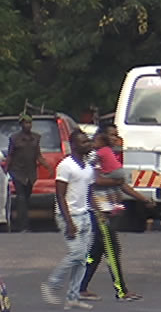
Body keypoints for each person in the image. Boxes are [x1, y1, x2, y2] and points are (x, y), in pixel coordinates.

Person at [79, 123, 153, 302]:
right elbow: (93, 181)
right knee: (112, 251)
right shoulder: (95, 156)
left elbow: (122, 184)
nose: (114, 138)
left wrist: (142, 199)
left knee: (96, 252)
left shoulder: (109, 155)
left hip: (107, 210)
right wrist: (115, 182)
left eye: (116, 134)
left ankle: (80, 287)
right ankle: (122, 291)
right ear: (102, 136)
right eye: (111, 135)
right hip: (98, 211)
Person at [41, 130, 95, 310]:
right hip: (69, 216)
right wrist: (69, 222)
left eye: (88, 141)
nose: (88, 144)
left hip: (85, 215)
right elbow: (60, 195)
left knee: (82, 259)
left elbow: (88, 191)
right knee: (77, 254)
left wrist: (96, 211)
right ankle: (52, 284)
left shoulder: (87, 166)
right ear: (74, 146)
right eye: (83, 142)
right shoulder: (65, 166)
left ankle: (73, 296)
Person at [6, 114, 53, 232]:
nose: (28, 125)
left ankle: (21, 220)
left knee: (26, 198)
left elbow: (38, 155)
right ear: (21, 125)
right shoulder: (14, 138)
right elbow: (10, 155)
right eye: (25, 123)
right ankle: (23, 226)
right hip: (17, 171)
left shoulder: (36, 138)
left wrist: (48, 167)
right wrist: (5, 170)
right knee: (21, 197)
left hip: (30, 173)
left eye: (29, 123)